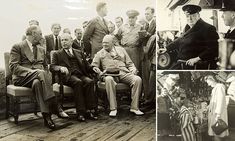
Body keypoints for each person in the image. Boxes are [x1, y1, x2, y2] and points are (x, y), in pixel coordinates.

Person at [9, 25, 68, 129]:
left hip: (38, 79)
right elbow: (14, 67)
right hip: (22, 78)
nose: (42, 37)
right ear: (33, 34)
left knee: (37, 83)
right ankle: (55, 106)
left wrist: (45, 73)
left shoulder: (41, 49)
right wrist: (33, 71)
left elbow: (46, 66)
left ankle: (47, 117)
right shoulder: (17, 47)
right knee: (40, 73)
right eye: (40, 34)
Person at [91, 35, 144, 117]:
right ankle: (113, 108)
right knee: (109, 79)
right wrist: (98, 70)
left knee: (137, 79)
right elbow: (94, 66)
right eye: (103, 43)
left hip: (123, 73)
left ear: (112, 43)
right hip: (109, 74)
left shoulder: (121, 50)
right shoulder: (99, 53)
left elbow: (130, 64)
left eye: (107, 43)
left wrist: (133, 69)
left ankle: (134, 107)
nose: (104, 45)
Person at [50, 33, 98, 122]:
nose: (63, 42)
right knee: (78, 82)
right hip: (67, 77)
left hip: (80, 74)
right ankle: (80, 112)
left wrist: (93, 68)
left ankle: (89, 110)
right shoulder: (57, 53)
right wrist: (60, 68)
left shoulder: (78, 52)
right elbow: (52, 66)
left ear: (71, 41)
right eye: (62, 40)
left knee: (89, 81)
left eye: (66, 40)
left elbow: (87, 66)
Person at [165, 4, 219, 70]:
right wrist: (166, 48)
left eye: (193, 16)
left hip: (194, 66)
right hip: (180, 62)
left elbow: (214, 48)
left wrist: (197, 59)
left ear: (198, 15)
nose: (190, 19)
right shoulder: (187, 27)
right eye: (187, 16)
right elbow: (180, 40)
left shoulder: (208, 28)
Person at [205, 74, 229, 141]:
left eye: (208, 82)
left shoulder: (220, 87)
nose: (208, 84)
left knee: (218, 131)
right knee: (215, 131)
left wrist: (218, 114)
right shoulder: (215, 88)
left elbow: (220, 101)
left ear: (212, 79)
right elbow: (214, 101)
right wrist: (208, 107)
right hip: (214, 114)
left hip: (218, 114)